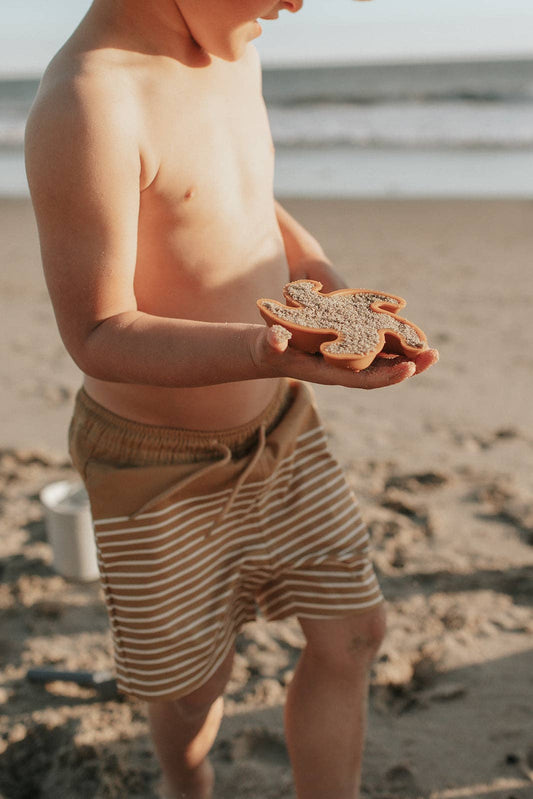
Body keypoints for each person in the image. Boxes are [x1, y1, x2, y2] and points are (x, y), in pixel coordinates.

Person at [25, 2, 438, 797]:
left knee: (354, 633)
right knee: (192, 688)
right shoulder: (90, 104)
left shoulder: (232, 51)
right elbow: (98, 332)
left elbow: (244, 195)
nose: (297, 1)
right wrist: (258, 350)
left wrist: (314, 269)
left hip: (281, 427)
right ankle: (187, 783)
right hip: (156, 467)